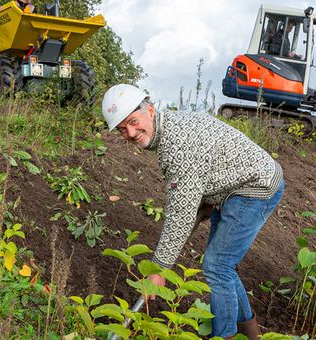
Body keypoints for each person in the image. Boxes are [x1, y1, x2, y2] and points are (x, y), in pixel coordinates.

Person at [100, 84, 285, 339]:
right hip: (231, 189)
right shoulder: (170, 129)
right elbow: (200, 176)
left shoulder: (177, 144)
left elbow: (180, 215)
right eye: (122, 129)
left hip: (255, 186)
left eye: (133, 121)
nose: (130, 132)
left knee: (217, 265)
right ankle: (250, 336)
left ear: (150, 111)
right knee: (223, 266)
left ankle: (225, 336)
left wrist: (158, 270)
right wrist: (205, 198)